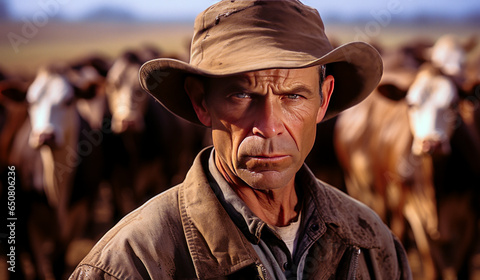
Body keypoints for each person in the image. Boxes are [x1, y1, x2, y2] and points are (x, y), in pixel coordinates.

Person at [70, 0, 412, 279]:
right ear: (201, 102)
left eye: (293, 96)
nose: (269, 126)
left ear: (323, 100)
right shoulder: (130, 264)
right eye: (242, 96)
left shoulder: (371, 243)